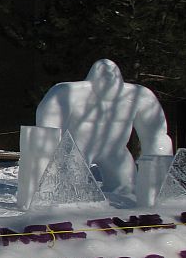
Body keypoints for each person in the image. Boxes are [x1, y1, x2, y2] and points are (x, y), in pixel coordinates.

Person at [35, 59, 173, 194]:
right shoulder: (70, 93)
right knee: (72, 191)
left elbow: (155, 132)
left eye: (113, 71)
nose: (110, 75)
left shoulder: (138, 96)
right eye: (103, 71)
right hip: (78, 149)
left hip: (116, 151)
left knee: (127, 188)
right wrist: (52, 156)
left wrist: (158, 165)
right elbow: (48, 127)